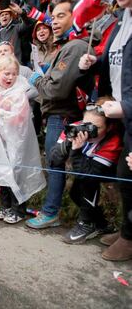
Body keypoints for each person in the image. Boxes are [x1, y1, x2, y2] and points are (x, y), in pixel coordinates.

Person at [26, 0, 95, 230]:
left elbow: (55, 89)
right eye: (53, 17)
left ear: (75, 16)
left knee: (56, 162)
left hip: (62, 114)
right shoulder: (67, 46)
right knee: (57, 161)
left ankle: (51, 212)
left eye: (61, 16)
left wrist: (36, 79)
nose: (54, 21)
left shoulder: (74, 47)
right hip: (57, 114)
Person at [78, 0, 132, 261]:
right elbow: (118, 64)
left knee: (126, 172)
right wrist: (95, 62)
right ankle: (127, 231)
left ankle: (129, 238)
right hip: (121, 114)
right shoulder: (122, 19)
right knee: (122, 174)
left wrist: (126, 107)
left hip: (126, 111)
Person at [0, 55, 45, 223]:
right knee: (3, 171)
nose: (10, 77)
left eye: (14, 74)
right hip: (0, 140)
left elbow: (19, 117)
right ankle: (6, 206)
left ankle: (19, 210)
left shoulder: (19, 92)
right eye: (6, 73)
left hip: (16, 141)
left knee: (17, 173)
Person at [49, 103, 122, 243]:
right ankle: (101, 224)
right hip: (86, 165)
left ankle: (86, 223)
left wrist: (76, 152)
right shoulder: (75, 127)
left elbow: (90, 174)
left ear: (108, 126)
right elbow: (54, 160)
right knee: (75, 193)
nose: (89, 130)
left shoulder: (113, 139)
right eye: (86, 124)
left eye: (97, 127)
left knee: (87, 184)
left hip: (110, 170)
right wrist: (68, 143)